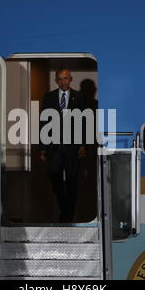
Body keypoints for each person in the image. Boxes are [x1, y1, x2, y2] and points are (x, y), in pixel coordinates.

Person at [39, 68, 86, 222]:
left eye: (65, 78)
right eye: (60, 79)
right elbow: (44, 122)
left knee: (72, 179)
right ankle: (64, 206)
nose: (63, 82)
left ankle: (68, 212)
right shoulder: (49, 97)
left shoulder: (79, 97)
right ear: (56, 81)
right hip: (54, 146)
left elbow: (84, 123)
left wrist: (82, 145)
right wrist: (43, 147)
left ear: (71, 79)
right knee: (55, 177)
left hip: (72, 146)